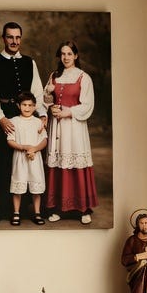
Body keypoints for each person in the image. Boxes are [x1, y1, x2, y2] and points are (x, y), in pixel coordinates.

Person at [0, 21, 43, 224]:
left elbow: (37, 91)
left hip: (26, 116)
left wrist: (41, 114)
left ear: (20, 39)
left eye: (17, 37)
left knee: (24, 161)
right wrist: (0, 118)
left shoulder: (30, 62)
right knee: (1, 161)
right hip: (2, 115)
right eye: (10, 37)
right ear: (3, 38)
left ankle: (21, 208)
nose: (14, 41)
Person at [42, 40, 98, 224]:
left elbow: (88, 104)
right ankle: (58, 208)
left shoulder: (83, 77)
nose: (65, 57)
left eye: (69, 54)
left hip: (74, 127)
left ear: (76, 56)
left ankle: (83, 210)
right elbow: (45, 99)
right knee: (58, 163)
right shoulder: (54, 75)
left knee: (74, 162)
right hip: (57, 127)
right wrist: (50, 104)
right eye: (63, 54)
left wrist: (69, 112)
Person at [5, 91, 47, 226]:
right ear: (18, 106)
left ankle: (37, 213)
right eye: (24, 105)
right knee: (18, 186)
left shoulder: (38, 122)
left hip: (35, 158)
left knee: (36, 187)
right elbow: (10, 141)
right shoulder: (14, 121)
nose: (27, 108)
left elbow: (44, 140)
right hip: (20, 158)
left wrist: (34, 149)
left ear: (34, 107)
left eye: (30, 105)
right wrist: (24, 147)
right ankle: (16, 212)